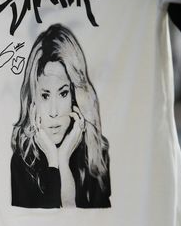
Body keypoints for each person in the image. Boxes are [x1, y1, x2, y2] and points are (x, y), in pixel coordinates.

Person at [10, 23, 111, 208]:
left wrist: (63, 158)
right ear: (32, 100)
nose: (54, 112)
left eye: (63, 93)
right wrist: (54, 159)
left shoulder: (97, 152)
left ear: (75, 96)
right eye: (45, 96)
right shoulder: (22, 161)